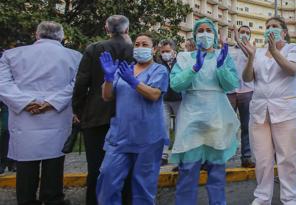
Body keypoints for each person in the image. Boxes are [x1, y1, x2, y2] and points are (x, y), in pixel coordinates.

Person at [0, 21, 82, 205]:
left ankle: (27, 199)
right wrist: (52, 102)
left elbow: (3, 84)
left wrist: (26, 102)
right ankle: (53, 198)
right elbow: (76, 85)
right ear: (61, 37)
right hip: (56, 116)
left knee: (26, 163)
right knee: (54, 161)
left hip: (24, 116)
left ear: (37, 35)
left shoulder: (12, 55)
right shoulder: (74, 56)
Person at [238, 16, 296, 205]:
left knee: (287, 160)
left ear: (284, 32)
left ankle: (290, 199)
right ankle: (262, 199)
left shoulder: (293, 49)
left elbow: (292, 70)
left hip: (287, 112)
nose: (270, 29)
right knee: (262, 160)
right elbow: (248, 77)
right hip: (260, 112)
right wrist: (251, 57)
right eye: (267, 26)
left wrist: (274, 51)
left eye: (275, 26)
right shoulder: (258, 52)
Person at [170, 18, 240, 205]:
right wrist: (194, 68)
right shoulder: (184, 58)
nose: (204, 34)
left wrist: (221, 66)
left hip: (217, 117)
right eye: (200, 30)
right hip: (191, 118)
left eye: (208, 30)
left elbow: (231, 85)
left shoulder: (223, 56)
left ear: (215, 35)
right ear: (194, 36)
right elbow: (176, 84)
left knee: (217, 174)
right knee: (188, 172)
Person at [96, 33, 169, 205]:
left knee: (143, 187)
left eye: (145, 44)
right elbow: (107, 96)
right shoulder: (124, 69)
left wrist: (133, 82)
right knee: (107, 178)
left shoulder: (159, 70)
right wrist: (108, 78)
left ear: (153, 49)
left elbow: (154, 94)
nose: (140, 47)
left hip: (148, 137)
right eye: (137, 44)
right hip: (120, 135)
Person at [72, 15, 134, 205]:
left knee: (96, 167)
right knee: (127, 167)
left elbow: (81, 83)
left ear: (106, 29)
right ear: (127, 30)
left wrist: (78, 110)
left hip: (96, 113)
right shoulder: (135, 49)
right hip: (127, 114)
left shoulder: (94, 49)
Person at [228, 25, 255, 168]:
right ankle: (224, 155)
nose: (244, 34)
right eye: (242, 32)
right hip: (230, 92)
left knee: (246, 126)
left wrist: (240, 41)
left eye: (247, 33)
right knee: (227, 125)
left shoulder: (252, 49)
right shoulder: (229, 51)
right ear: (237, 34)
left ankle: (246, 157)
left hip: (247, 92)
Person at [157, 39, 180, 165]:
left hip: (179, 99)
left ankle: (178, 154)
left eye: (168, 51)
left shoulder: (180, 62)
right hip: (164, 100)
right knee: (163, 127)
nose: (165, 53)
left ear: (173, 51)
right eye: (163, 51)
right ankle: (163, 155)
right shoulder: (158, 63)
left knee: (179, 127)